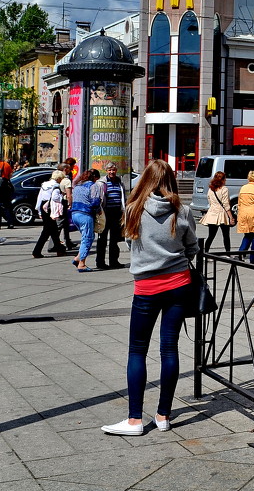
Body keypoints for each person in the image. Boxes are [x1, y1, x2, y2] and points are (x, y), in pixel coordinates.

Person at [101, 159, 198, 436]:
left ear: (145, 179)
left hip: (146, 288)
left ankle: (134, 420)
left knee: (137, 351)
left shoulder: (133, 209)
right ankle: (163, 415)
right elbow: (193, 247)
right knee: (170, 349)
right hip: (179, 284)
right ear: (171, 180)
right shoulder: (183, 210)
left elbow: (131, 243)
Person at [70, 169, 103, 272]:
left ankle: (77, 258)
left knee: (86, 237)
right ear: (95, 178)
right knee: (87, 238)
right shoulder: (93, 186)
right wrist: (98, 211)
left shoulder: (77, 186)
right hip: (85, 214)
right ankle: (82, 264)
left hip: (75, 214)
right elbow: (95, 201)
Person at [97, 162, 126, 270]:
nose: (111, 172)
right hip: (105, 213)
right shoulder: (102, 183)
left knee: (115, 240)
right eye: (109, 170)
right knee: (102, 239)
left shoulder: (119, 182)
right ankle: (100, 262)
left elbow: (123, 198)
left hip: (117, 213)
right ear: (106, 171)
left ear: (116, 171)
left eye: (113, 170)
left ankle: (114, 261)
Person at [32, 170, 68, 259]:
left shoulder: (44, 185)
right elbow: (56, 198)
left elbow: (40, 198)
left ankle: (59, 249)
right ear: (59, 178)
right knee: (47, 230)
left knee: (53, 230)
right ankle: (36, 251)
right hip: (50, 208)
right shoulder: (56, 186)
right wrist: (62, 195)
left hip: (43, 207)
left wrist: (39, 210)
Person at [200, 171, 233, 253]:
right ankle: (228, 253)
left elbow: (210, 201)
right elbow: (226, 204)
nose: (226, 180)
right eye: (225, 179)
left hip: (212, 213)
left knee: (211, 236)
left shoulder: (211, 189)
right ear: (222, 180)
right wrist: (231, 217)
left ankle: (205, 253)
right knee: (226, 236)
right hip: (222, 214)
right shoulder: (224, 189)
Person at [0, 154, 15, 229]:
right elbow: (10, 175)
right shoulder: (7, 165)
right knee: (7, 206)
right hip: (5, 186)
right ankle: (10, 223)